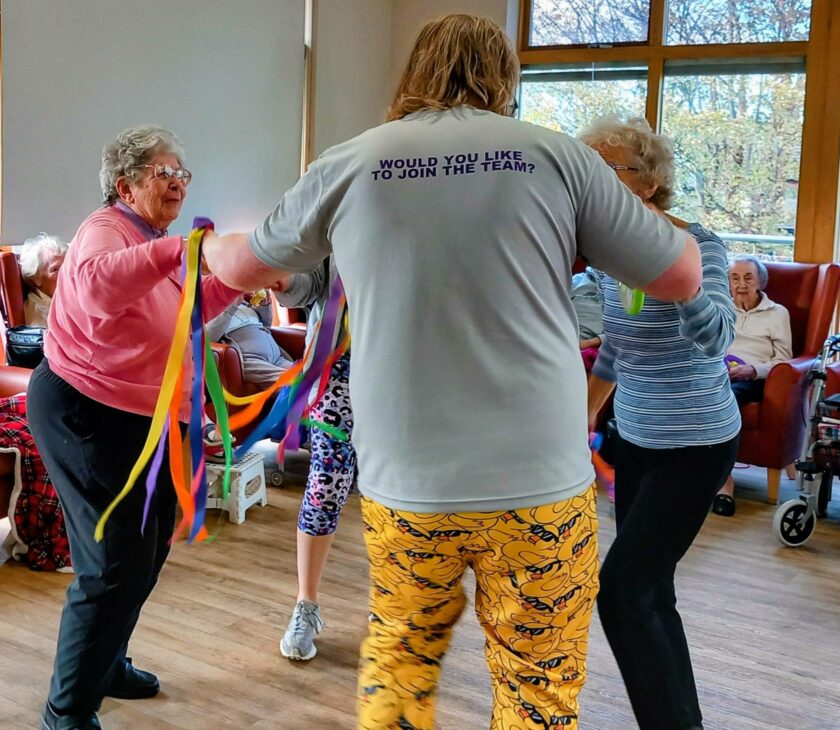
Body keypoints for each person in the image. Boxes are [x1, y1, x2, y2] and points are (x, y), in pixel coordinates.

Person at [201, 15, 702, 729]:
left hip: (410, 487)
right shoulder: (558, 157)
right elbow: (682, 274)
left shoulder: (351, 161)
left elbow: (244, 266)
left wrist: (210, 241)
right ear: (506, 79)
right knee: (537, 695)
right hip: (540, 488)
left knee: (399, 679)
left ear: (414, 72)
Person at [27, 125, 239, 730]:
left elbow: (192, 303)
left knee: (146, 554)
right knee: (113, 563)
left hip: (143, 416)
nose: (177, 182)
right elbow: (95, 287)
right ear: (125, 185)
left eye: (182, 173)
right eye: (163, 172)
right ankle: (66, 712)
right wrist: (180, 252)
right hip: (83, 410)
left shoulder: (156, 239)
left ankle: (107, 660)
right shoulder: (106, 232)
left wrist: (248, 275)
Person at [581, 116, 739, 730]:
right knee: (653, 593)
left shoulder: (698, 244)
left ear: (647, 185)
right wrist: (584, 418)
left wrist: (677, 280)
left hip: (697, 443)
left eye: (605, 169)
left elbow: (718, 337)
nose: (590, 182)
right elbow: (618, 348)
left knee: (621, 593)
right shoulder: (605, 260)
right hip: (637, 441)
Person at [273, 257, 356, 661]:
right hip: (334, 368)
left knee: (405, 493)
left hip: (407, 372)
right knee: (324, 487)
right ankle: (306, 605)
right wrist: (283, 277)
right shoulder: (342, 200)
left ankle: (407, 611)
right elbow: (311, 281)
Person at [712, 254, 792, 516]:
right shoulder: (720, 307)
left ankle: (724, 483)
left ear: (760, 282)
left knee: (725, 400)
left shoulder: (777, 313)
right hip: (716, 373)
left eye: (748, 278)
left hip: (754, 379)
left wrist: (753, 370)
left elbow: (784, 361)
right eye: (734, 278)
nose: (741, 284)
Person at [205, 289, 294, 388]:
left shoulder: (245, 303)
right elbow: (208, 337)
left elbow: (266, 326)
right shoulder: (208, 305)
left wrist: (264, 306)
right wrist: (232, 303)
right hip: (251, 359)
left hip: (277, 357)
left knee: (310, 379)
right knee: (297, 385)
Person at [19, 233, 68, 327]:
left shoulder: (60, 301)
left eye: (66, 266)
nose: (66, 274)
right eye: (55, 270)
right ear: (36, 278)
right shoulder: (40, 316)